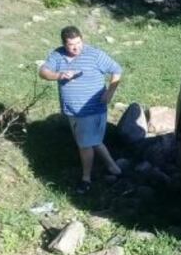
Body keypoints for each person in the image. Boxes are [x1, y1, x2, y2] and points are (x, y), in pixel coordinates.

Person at [39, 25, 123, 194]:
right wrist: (59, 75)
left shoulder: (94, 54)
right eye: (71, 45)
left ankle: (86, 179)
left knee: (84, 145)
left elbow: (117, 70)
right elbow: (43, 72)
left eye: (78, 42)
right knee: (93, 141)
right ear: (64, 44)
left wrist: (110, 92)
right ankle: (114, 168)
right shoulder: (58, 55)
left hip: (91, 109)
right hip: (72, 110)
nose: (76, 47)